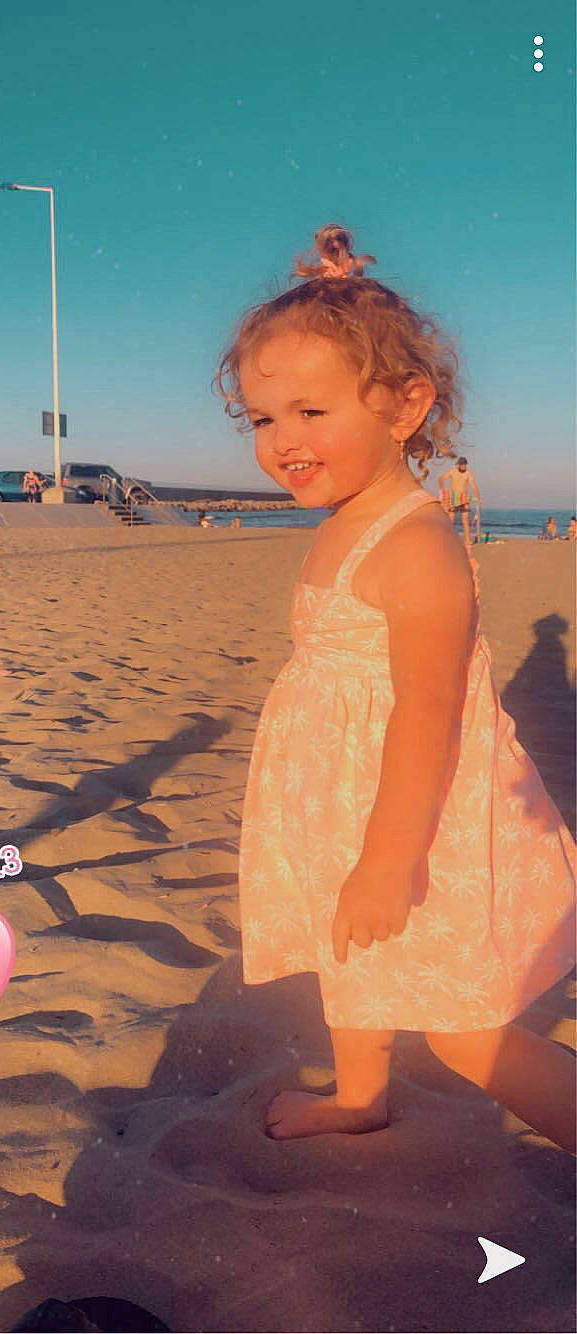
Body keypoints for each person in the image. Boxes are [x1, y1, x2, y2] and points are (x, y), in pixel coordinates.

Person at [215, 221, 576, 1153]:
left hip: (412, 811)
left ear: (406, 406)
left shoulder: (416, 544)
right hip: (347, 797)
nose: (282, 441)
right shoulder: (348, 516)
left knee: (465, 1034)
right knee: (354, 956)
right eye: (263, 419)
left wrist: (387, 857)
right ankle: (361, 1094)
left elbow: (427, 711)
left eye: (311, 412)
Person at [438, 457, 481, 549]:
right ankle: (448, 539)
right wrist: (442, 492)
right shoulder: (452, 471)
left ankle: (468, 540)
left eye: (465, 464)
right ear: (458, 465)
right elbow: (441, 479)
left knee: (465, 521)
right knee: (451, 520)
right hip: (453, 498)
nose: (464, 466)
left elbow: (473, 486)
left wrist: (478, 497)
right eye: (462, 464)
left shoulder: (468, 473)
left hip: (464, 498)